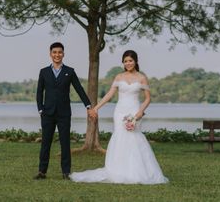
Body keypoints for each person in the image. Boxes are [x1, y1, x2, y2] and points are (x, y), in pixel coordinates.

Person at [70, 50, 168, 184]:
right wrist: (96, 108)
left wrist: (140, 112)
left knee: (134, 137)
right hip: (120, 112)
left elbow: (148, 99)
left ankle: (137, 171)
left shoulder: (142, 78)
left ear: (136, 61)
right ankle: (118, 170)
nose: (128, 63)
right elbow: (109, 95)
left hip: (134, 111)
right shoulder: (119, 77)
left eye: (130, 61)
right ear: (123, 62)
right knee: (120, 137)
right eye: (125, 61)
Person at [35, 42, 96, 180]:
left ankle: (66, 172)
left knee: (65, 143)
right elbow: (39, 92)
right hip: (47, 113)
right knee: (45, 143)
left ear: (63, 54)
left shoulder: (70, 71)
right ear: (50, 54)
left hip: (64, 113)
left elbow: (79, 89)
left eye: (60, 52)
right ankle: (42, 171)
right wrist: (40, 109)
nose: (57, 55)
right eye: (54, 52)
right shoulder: (44, 72)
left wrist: (88, 106)